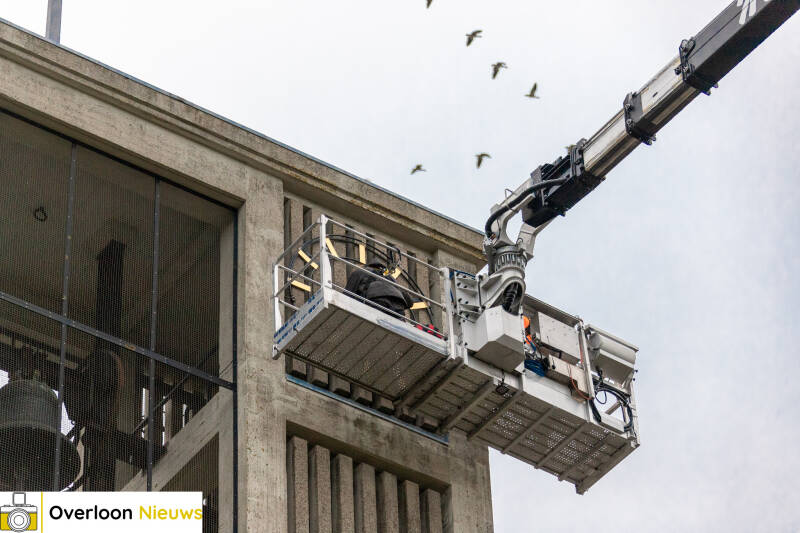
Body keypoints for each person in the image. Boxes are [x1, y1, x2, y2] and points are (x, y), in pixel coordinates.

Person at [344, 262, 414, 318]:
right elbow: (409, 300)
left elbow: (347, 295)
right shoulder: (390, 278)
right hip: (398, 309)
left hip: (377, 302)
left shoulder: (360, 272)